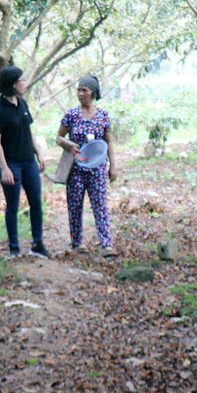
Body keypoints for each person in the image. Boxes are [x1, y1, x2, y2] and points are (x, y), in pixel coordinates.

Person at [0, 65, 49, 258]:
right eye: (22, 80)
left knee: (36, 204)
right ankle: (14, 248)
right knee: (13, 205)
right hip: (11, 164)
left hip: (28, 162)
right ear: (13, 84)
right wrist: (4, 168)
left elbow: (28, 130)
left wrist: (38, 153)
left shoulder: (22, 104)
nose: (25, 84)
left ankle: (37, 244)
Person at [56, 74, 117, 256]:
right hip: (75, 168)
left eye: (85, 90)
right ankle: (77, 243)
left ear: (94, 93)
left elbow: (109, 143)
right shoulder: (71, 115)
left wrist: (113, 166)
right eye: (79, 90)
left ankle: (106, 244)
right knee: (75, 205)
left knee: (100, 205)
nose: (81, 94)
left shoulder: (102, 116)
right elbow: (58, 137)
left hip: (97, 168)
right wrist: (67, 143)